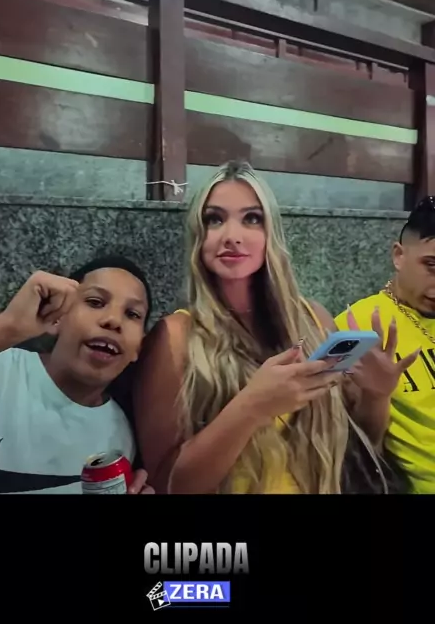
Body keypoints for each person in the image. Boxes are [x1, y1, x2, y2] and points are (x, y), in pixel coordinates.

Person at [133, 161, 412, 495]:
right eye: (214, 219)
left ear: (271, 233)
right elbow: (168, 484)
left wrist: (376, 396)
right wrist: (252, 407)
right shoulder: (175, 336)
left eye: (252, 218)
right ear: (198, 235)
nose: (232, 236)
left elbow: (355, 451)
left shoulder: (314, 319)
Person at [0, 254, 155, 495]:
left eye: (132, 314)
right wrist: (5, 326)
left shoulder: (122, 438)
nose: (113, 320)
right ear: (58, 317)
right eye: (95, 302)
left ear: (139, 348)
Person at [335, 196, 435, 494]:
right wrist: (374, 395)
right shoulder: (355, 325)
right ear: (398, 256)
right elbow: (347, 446)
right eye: (431, 265)